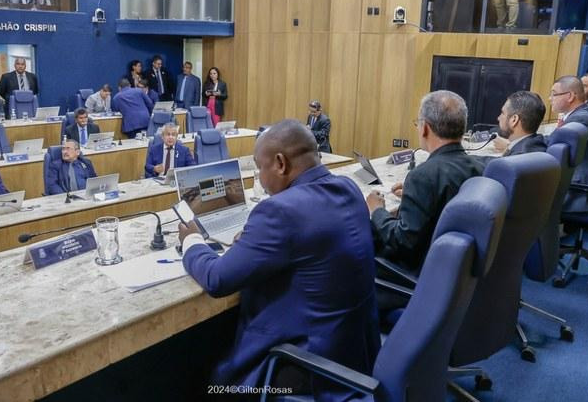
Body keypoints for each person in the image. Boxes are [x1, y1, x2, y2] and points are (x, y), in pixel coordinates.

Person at [178, 120, 378, 397]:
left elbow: (217, 278)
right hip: (354, 351)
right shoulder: (349, 188)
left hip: (306, 366)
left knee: (203, 381)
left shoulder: (280, 211)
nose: (260, 178)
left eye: (260, 167)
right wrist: (254, 240)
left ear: (281, 164)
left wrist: (191, 241)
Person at [367, 90, 483, 311]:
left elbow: (402, 243)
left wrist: (377, 210)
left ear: (425, 128)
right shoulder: (478, 166)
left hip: (417, 275)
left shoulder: (423, 175)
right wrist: (414, 197)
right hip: (457, 272)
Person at [549, 75, 588, 214]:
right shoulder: (585, 111)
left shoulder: (579, 120)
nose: (550, 98)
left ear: (570, 96)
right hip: (587, 178)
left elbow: (550, 148)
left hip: (577, 190)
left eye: (554, 94)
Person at [492, 91, 547, 156]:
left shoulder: (514, 158)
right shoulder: (539, 144)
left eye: (502, 113)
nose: (498, 118)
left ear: (514, 120)